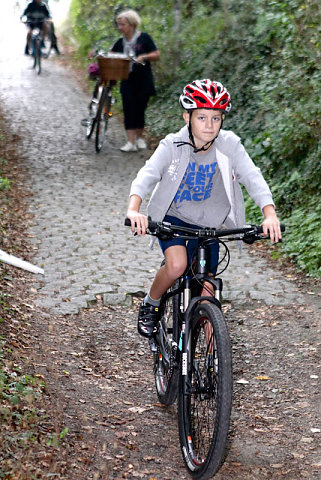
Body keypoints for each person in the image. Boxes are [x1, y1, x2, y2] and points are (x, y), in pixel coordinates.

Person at [126, 79, 282, 338]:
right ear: (187, 117)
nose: (209, 126)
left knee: (209, 292)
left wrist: (270, 214)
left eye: (216, 118)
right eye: (202, 117)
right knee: (176, 266)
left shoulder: (229, 145)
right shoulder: (172, 145)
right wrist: (134, 209)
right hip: (174, 220)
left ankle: (215, 368)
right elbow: (146, 176)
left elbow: (252, 177)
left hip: (209, 226)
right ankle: (151, 303)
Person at [111, 9, 160, 152]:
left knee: (140, 109)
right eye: (119, 25)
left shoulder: (144, 38)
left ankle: (139, 138)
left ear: (132, 24)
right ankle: (130, 142)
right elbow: (111, 55)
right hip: (127, 79)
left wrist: (144, 57)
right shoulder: (120, 42)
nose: (120, 28)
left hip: (143, 79)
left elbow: (156, 54)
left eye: (123, 24)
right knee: (128, 108)